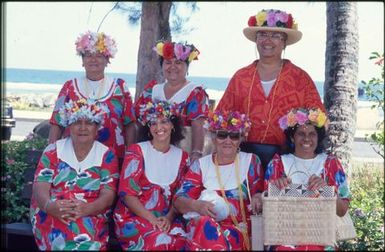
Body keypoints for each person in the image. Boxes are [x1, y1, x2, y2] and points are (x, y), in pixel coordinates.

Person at [216, 9, 325, 170]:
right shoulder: (241, 77)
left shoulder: (300, 78)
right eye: (263, 34)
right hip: (242, 160)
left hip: (287, 162)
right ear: (256, 40)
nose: (268, 40)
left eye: (275, 36)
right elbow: (220, 119)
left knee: (276, 196)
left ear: (284, 42)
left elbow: (319, 121)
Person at [30, 98, 119, 250]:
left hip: (91, 211)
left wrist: (87, 209)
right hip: (52, 210)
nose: (82, 128)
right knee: (62, 233)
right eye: (77, 122)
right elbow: (40, 187)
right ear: (69, 126)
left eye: (89, 123)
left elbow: (108, 196)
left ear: (97, 128)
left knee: (82, 233)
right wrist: (50, 206)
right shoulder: (53, 151)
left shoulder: (107, 155)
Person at [173, 111, 265, 250]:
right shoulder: (201, 165)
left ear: (241, 139)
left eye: (234, 136)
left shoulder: (251, 161)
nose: (228, 141)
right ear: (214, 137)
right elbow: (179, 200)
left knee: (210, 233)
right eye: (222, 135)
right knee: (205, 225)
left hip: (237, 229)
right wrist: (196, 205)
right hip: (204, 224)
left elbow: (258, 193)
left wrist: (258, 198)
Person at [264, 107, 351, 250]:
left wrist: (327, 191)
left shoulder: (331, 164)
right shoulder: (277, 163)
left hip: (322, 237)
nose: (306, 138)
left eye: (312, 134)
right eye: (301, 133)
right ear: (292, 137)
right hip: (283, 236)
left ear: (318, 138)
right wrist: (275, 188)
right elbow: (266, 212)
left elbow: (342, 211)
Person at [48, 31, 136, 165]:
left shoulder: (120, 87)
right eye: (88, 55)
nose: (93, 59)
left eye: (99, 56)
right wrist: (50, 156)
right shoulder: (69, 87)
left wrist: (130, 157)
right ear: (82, 61)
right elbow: (57, 124)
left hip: (112, 160)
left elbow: (130, 124)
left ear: (107, 60)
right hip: (73, 159)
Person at [113, 100, 189, 250]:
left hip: (168, 219)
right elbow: (127, 195)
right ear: (148, 128)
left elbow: (181, 196)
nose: (159, 127)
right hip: (135, 217)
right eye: (153, 123)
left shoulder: (183, 157)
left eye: (164, 121)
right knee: (159, 241)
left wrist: (169, 217)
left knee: (184, 241)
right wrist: (152, 219)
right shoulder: (136, 151)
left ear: (173, 125)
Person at [135, 40, 209, 162]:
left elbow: (198, 126)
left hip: (183, 155)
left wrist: (196, 154)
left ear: (187, 66)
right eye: (168, 62)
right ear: (162, 66)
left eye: (178, 62)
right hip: (152, 155)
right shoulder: (151, 91)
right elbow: (139, 123)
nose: (173, 67)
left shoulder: (195, 92)